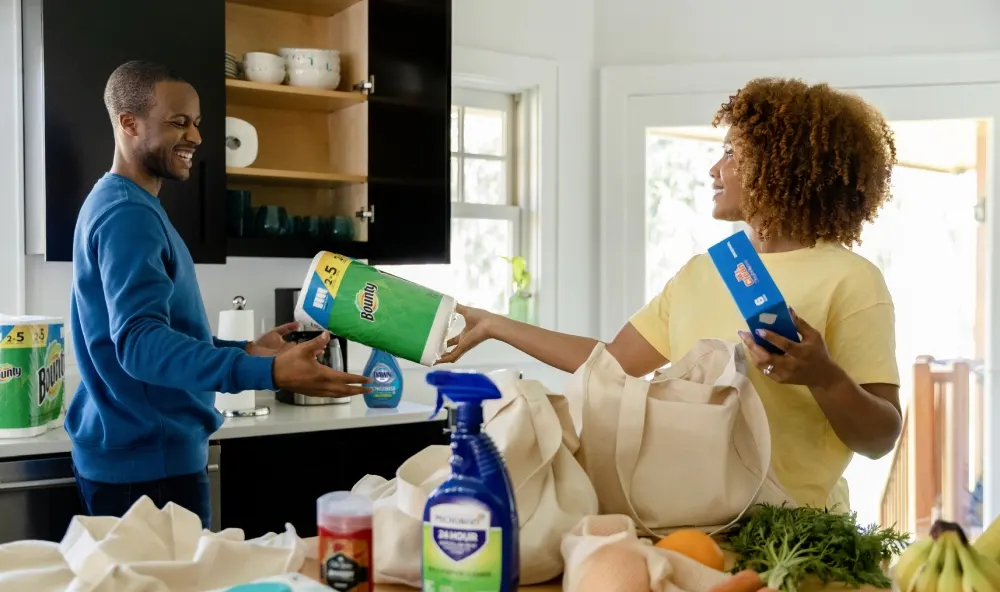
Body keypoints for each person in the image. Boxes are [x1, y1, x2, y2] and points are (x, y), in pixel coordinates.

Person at [441, 77, 903, 511]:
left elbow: (881, 439)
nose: (714, 169)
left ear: (786, 165)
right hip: (694, 523)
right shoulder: (705, 272)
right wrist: (496, 325)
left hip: (800, 536)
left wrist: (825, 377)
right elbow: (611, 362)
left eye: (732, 154)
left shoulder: (852, 280)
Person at [68, 61, 371, 528]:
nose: (196, 137)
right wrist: (264, 369)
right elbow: (139, 343)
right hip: (151, 468)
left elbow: (149, 335)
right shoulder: (128, 215)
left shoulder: (120, 204)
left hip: (138, 456)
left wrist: (242, 349)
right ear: (129, 123)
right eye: (178, 122)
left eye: (197, 123)